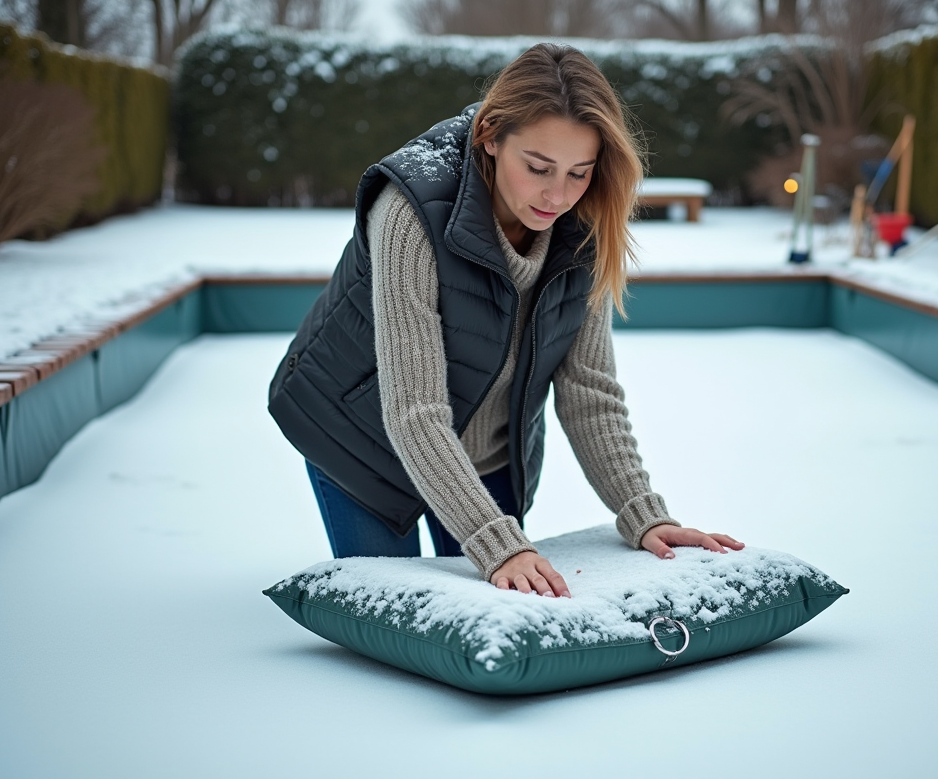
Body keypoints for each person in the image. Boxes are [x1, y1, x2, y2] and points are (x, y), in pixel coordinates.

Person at [267, 43, 742, 598]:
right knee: (398, 616)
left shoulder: (584, 225)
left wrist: (643, 513)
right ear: (489, 135)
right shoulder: (410, 210)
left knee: (495, 606)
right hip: (362, 443)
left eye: (579, 172)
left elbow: (589, 390)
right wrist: (497, 542)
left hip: (488, 456)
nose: (557, 195)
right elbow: (413, 410)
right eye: (537, 168)